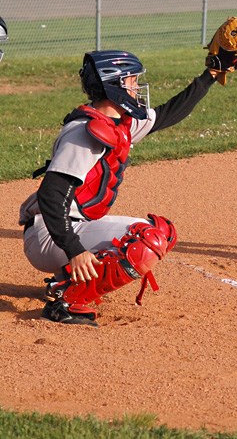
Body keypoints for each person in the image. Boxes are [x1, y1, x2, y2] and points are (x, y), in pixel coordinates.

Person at [19, 50, 222, 326]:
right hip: (50, 235)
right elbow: (51, 196)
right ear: (114, 86)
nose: (137, 87)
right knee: (147, 239)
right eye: (131, 81)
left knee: (163, 232)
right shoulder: (83, 133)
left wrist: (210, 75)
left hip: (67, 229)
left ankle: (66, 278)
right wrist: (75, 250)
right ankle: (66, 302)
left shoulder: (118, 124)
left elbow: (168, 113)